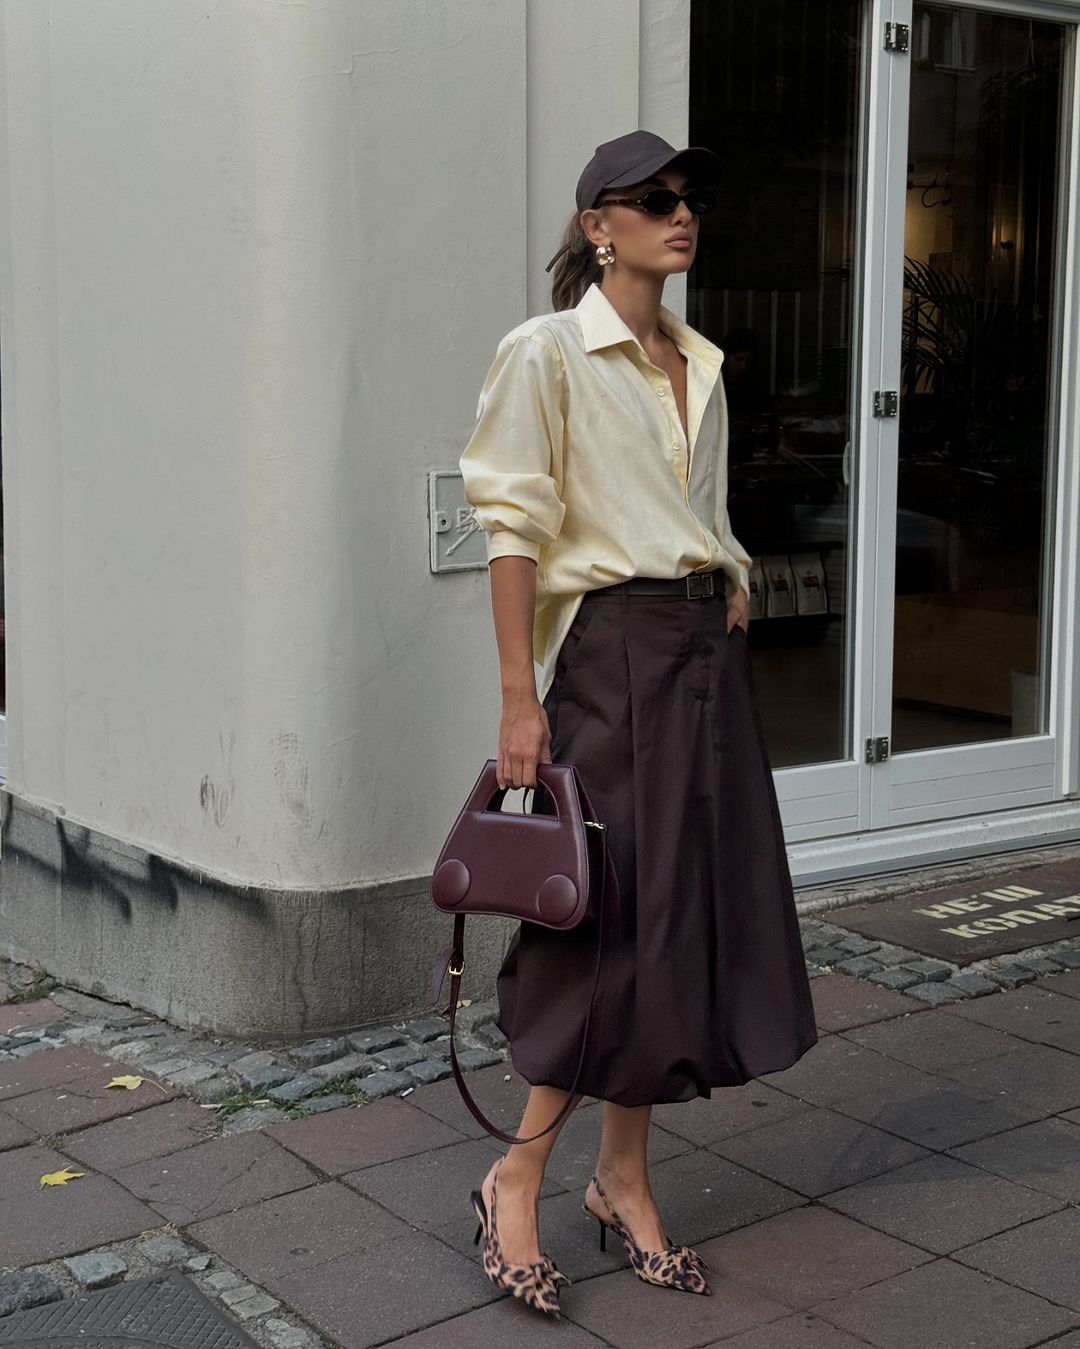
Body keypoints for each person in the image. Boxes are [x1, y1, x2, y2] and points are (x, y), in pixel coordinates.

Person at [458, 129, 818, 1320]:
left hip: (700, 659)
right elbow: (514, 528)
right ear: (597, 226)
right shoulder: (549, 350)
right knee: (606, 922)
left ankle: (624, 1177)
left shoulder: (696, 358)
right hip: (612, 657)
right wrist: (521, 697)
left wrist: (730, 570)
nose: (683, 214)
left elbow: (694, 510)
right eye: (654, 199)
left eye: (690, 197)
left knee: (673, 925)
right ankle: (517, 1174)